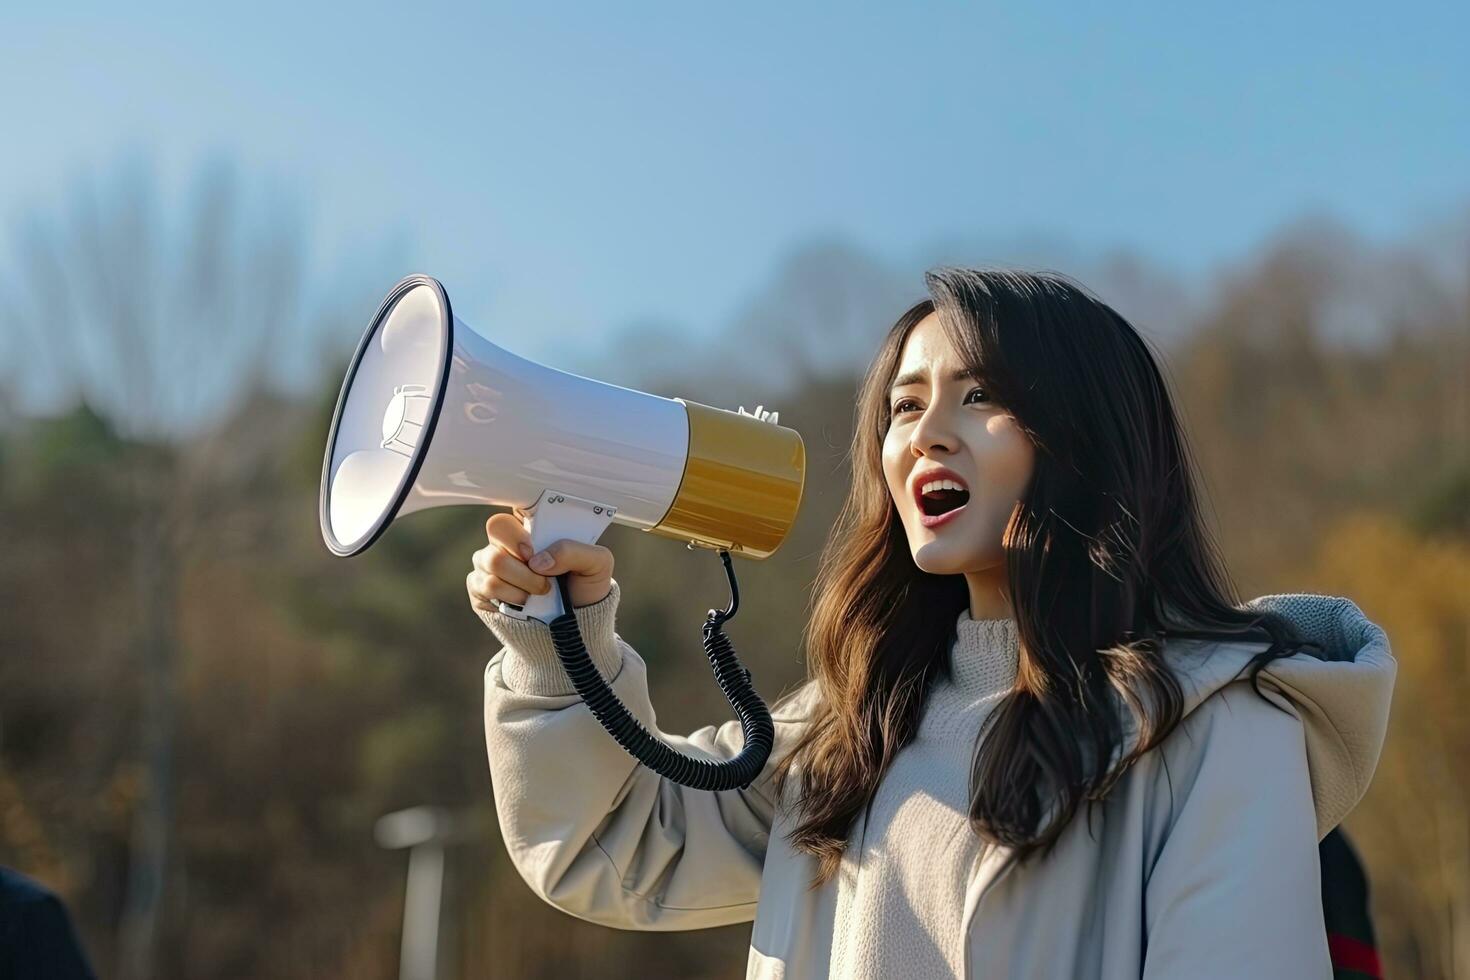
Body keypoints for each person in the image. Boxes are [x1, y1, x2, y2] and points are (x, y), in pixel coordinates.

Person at [467, 267, 1396, 979]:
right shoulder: (847, 732)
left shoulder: (1218, 729)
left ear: (1093, 436)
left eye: (980, 396)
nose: (927, 433)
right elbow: (614, 845)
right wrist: (562, 639)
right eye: (905, 405)